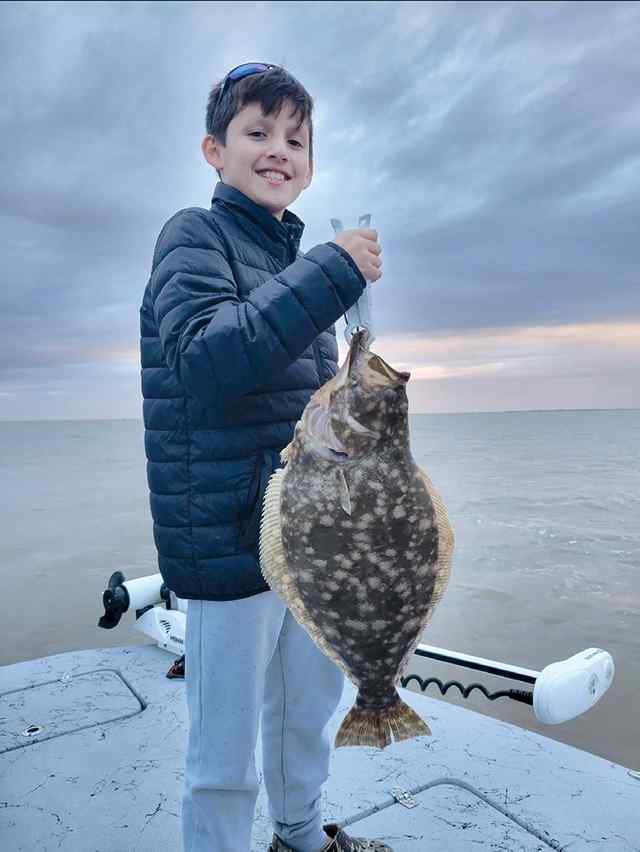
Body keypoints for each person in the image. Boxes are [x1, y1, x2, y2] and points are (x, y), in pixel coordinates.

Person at [139, 63, 390, 852]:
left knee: (304, 715)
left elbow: (310, 416)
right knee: (223, 753)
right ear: (215, 150)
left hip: (307, 541)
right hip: (228, 541)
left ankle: (301, 837)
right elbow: (210, 364)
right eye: (258, 132)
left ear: (311, 165)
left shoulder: (297, 264)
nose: (278, 150)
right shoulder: (194, 236)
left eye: (296, 140)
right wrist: (335, 269)